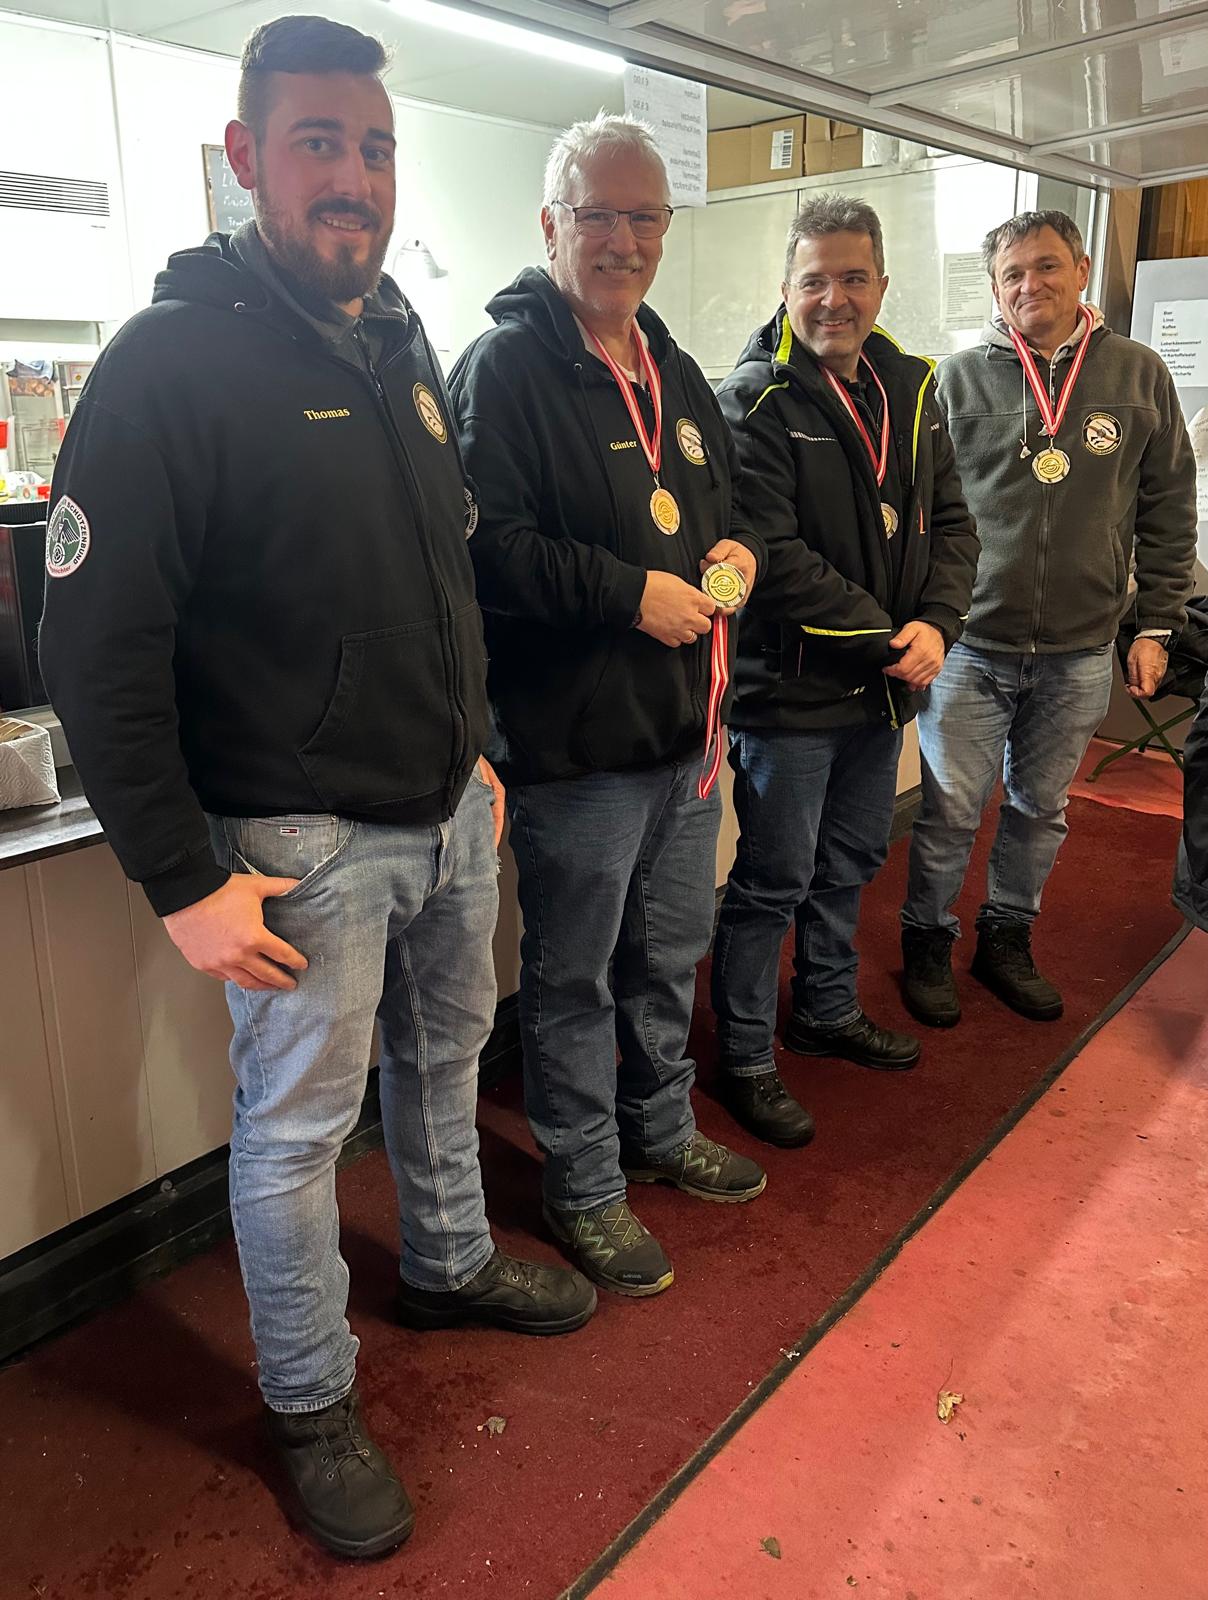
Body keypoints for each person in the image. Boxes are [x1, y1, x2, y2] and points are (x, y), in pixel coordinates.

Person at [38, 15, 594, 1563]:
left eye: (375, 147)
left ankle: (451, 1262)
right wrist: (178, 877)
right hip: (299, 843)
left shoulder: (400, 341)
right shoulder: (169, 364)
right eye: (318, 144)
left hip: (444, 810)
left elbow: (441, 575)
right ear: (246, 158)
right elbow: (90, 641)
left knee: (443, 1057)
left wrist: (471, 743)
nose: (354, 176)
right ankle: (309, 1400)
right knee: (293, 1139)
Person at [450, 113, 767, 1299]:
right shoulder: (502, 368)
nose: (622, 240)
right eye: (598, 215)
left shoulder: (671, 368)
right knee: (572, 979)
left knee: (666, 955)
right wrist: (626, 593)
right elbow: (484, 550)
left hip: (684, 738)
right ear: (550, 225)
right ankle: (582, 1182)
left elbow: (725, 508)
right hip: (573, 750)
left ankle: (658, 1129)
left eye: (644, 217)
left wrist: (735, 555)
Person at [710, 194, 979, 1146]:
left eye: (854, 278)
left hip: (881, 690)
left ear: (882, 285)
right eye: (815, 280)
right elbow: (772, 556)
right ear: (786, 288)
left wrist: (939, 623)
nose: (835, 298)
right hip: (790, 694)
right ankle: (746, 1055)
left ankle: (825, 1009)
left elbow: (954, 523)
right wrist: (889, 634)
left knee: (852, 862)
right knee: (772, 880)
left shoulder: (912, 387)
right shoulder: (756, 399)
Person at [901, 210, 1197, 1027]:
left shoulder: (1138, 374)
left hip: (1080, 649)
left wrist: (1156, 623)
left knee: (1040, 808)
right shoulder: (956, 380)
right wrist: (924, 618)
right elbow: (922, 513)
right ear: (995, 288)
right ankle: (926, 938)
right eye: (1013, 274)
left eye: (1046, 266)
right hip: (969, 644)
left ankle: (1006, 937)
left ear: (1082, 269)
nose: (1030, 285)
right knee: (949, 810)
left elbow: (1170, 507)